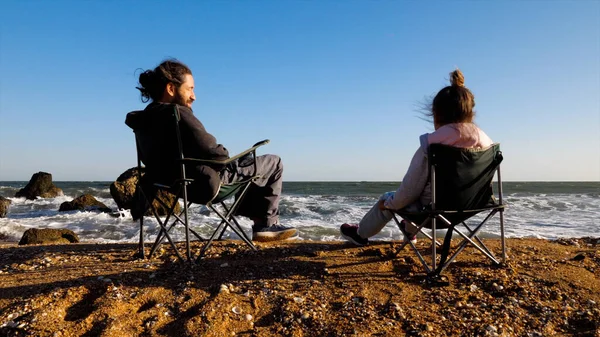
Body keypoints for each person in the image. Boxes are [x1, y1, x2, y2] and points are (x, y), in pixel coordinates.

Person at [126, 59, 297, 242]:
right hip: (204, 183)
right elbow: (215, 153)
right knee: (273, 162)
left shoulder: (144, 119)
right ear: (171, 89)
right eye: (189, 89)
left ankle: (258, 221)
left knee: (247, 166)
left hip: (171, 184)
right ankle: (265, 224)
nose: (194, 96)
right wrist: (224, 153)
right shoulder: (178, 113)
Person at [340, 69, 493, 246]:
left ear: (436, 114)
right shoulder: (487, 145)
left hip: (431, 214)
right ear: (470, 113)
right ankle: (409, 229)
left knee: (390, 198)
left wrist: (389, 204)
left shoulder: (432, 147)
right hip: (470, 209)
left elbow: (408, 191)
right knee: (417, 199)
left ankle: (360, 234)